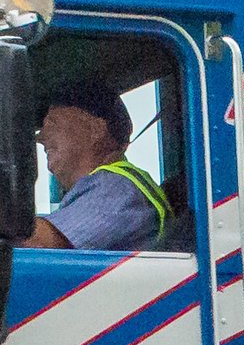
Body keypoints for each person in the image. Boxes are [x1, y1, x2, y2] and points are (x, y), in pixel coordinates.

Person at [28, 83, 178, 252]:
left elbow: (39, 243)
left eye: (52, 124)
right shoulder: (108, 186)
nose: (40, 138)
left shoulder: (117, 187)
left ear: (95, 130)